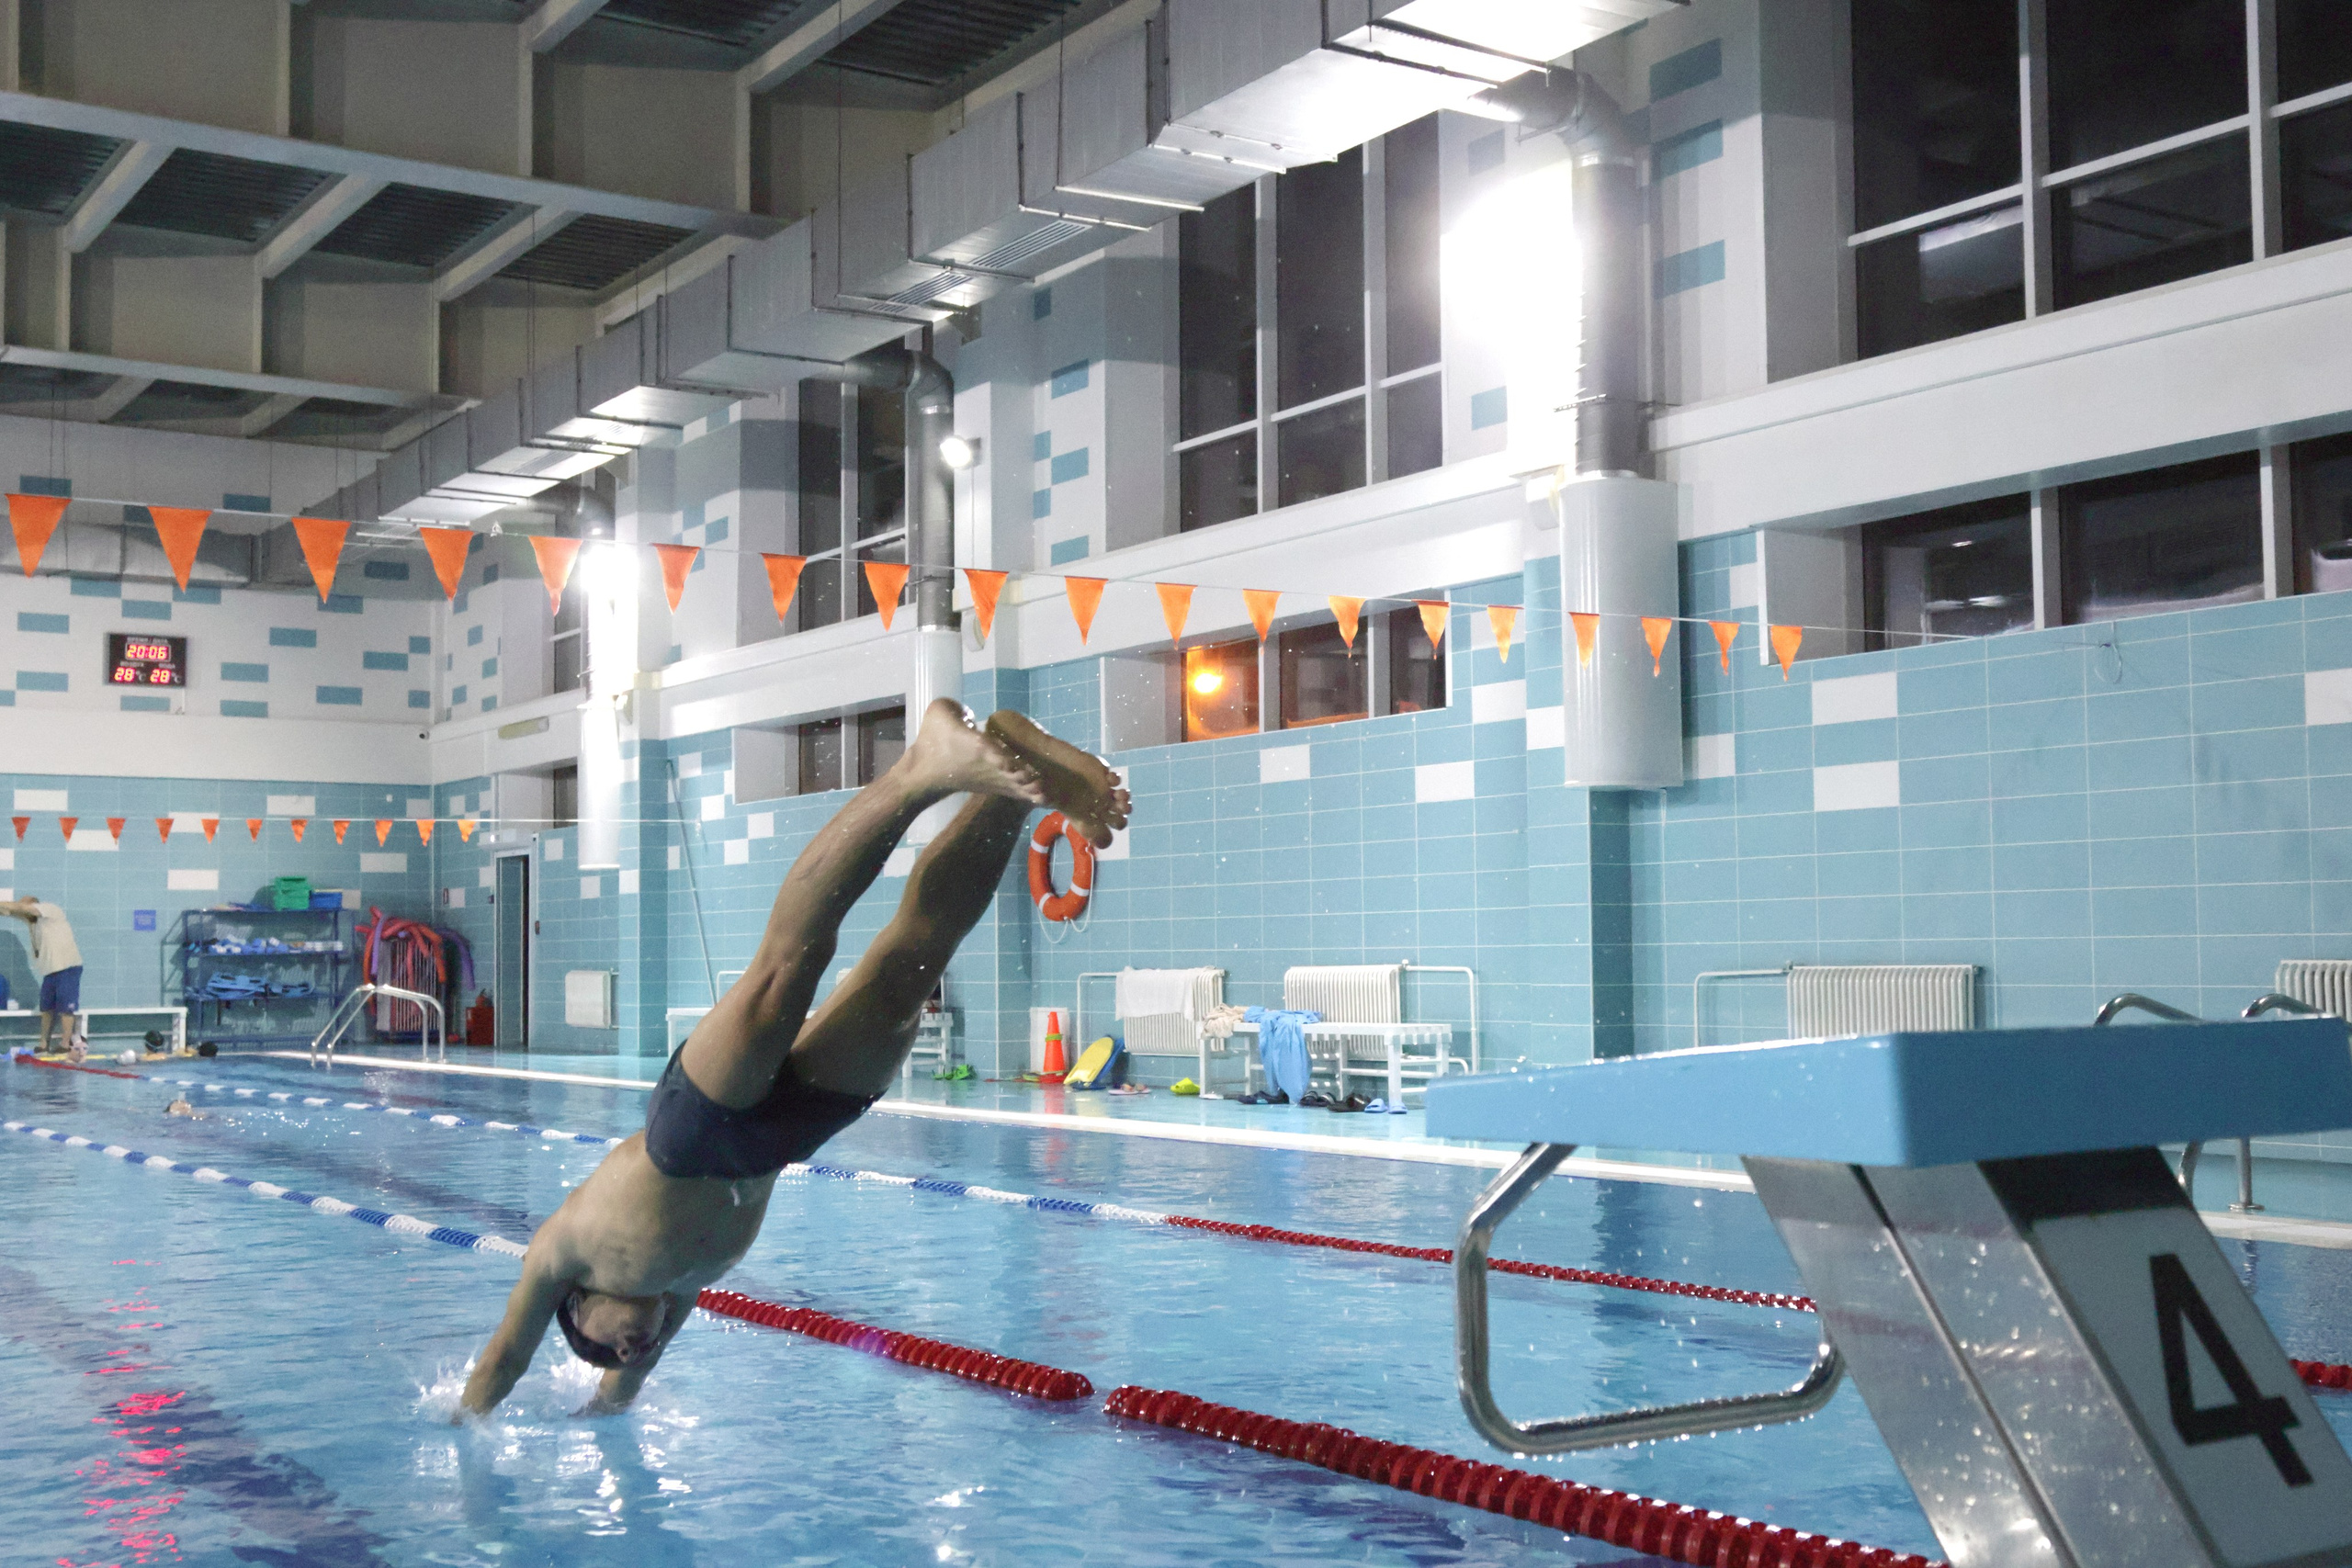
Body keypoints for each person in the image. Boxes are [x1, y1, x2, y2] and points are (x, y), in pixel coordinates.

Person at [458, 703, 1127, 1419]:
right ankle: (1008, 784)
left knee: (788, 966)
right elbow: (618, 1395)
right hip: (783, 1138)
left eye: (596, 1348)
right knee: (911, 965)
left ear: (575, 1309)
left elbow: (505, 1356)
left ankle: (918, 770)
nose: (624, 1353)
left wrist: (462, 1430)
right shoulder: (674, 1296)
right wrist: (609, 1399)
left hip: (692, 1131)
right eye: (624, 1358)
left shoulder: (562, 1256)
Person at [2, 897, 85, 1056]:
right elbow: (10, 911)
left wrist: (17, 907)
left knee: (66, 1008)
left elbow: (21, 909)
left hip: (68, 967)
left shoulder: (51, 911)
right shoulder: (32, 922)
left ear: (34, 904)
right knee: (46, 1009)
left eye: (23, 905)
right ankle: (43, 1044)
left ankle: (65, 1044)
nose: (21, 909)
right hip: (50, 972)